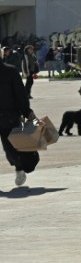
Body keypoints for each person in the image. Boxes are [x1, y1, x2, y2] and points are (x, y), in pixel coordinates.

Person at [0, 56, 38, 187]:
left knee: (9, 148)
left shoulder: (10, 71)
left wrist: (26, 111)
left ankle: (19, 167)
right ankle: (19, 166)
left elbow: (20, 93)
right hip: (8, 116)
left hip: (8, 116)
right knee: (9, 148)